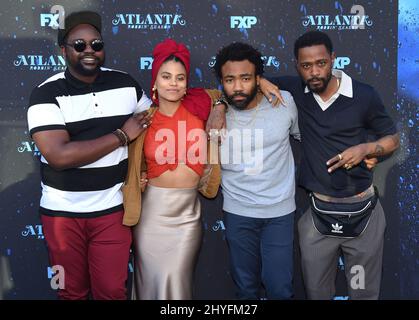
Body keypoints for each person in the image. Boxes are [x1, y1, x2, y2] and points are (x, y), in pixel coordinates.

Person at [26, 11, 217, 300]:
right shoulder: (45, 94)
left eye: (96, 44)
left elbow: (164, 106)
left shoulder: (125, 84)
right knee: (70, 292)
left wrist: (222, 102)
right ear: (63, 50)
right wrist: (120, 136)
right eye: (79, 45)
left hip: (113, 212)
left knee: (113, 292)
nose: (89, 50)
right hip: (63, 214)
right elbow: (58, 155)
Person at [268, 30, 400, 299]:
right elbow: (243, 80)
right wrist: (251, 88)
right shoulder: (295, 90)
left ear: (333, 60)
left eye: (321, 63)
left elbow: (393, 139)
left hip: (364, 215)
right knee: (317, 294)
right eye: (306, 66)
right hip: (318, 217)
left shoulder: (364, 94)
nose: (314, 72)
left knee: (363, 293)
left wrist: (366, 149)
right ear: (297, 66)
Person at [122, 39, 222, 300]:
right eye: (166, 76)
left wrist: (221, 105)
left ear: (187, 82)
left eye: (180, 77)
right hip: (152, 214)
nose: (173, 83)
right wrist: (141, 176)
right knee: (150, 286)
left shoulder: (202, 106)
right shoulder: (144, 119)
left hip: (188, 216)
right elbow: (133, 159)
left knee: (177, 284)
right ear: (154, 81)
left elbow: (236, 90)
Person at [212, 42, 300, 299]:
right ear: (221, 82)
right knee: (246, 291)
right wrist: (218, 103)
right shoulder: (212, 111)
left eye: (246, 78)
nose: (237, 87)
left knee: (280, 289)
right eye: (229, 79)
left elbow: (303, 136)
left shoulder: (284, 103)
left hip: (280, 214)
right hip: (238, 213)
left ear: (258, 78)